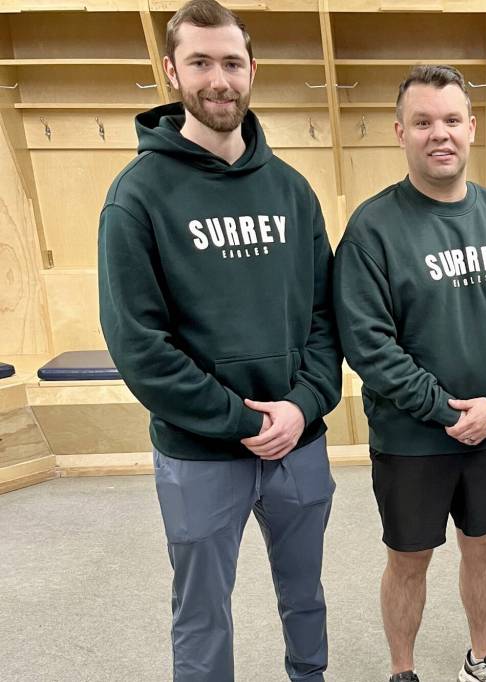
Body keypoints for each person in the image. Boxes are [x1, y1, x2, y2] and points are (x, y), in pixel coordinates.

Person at [98, 1, 341, 680]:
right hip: (201, 451)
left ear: (252, 70)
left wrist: (300, 406)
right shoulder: (136, 198)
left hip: (299, 440)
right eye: (200, 62)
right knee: (202, 612)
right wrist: (237, 419)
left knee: (306, 599)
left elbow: (327, 319)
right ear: (172, 70)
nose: (219, 79)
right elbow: (139, 344)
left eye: (232, 62)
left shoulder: (294, 192)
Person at [334, 65, 486, 682]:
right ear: (399, 131)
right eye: (424, 121)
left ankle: (481, 658)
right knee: (408, 557)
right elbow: (369, 345)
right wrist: (442, 409)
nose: (441, 134)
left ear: (472, 127)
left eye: (452, 120)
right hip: (411, 438)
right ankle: (402, 669)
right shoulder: (371, 230)